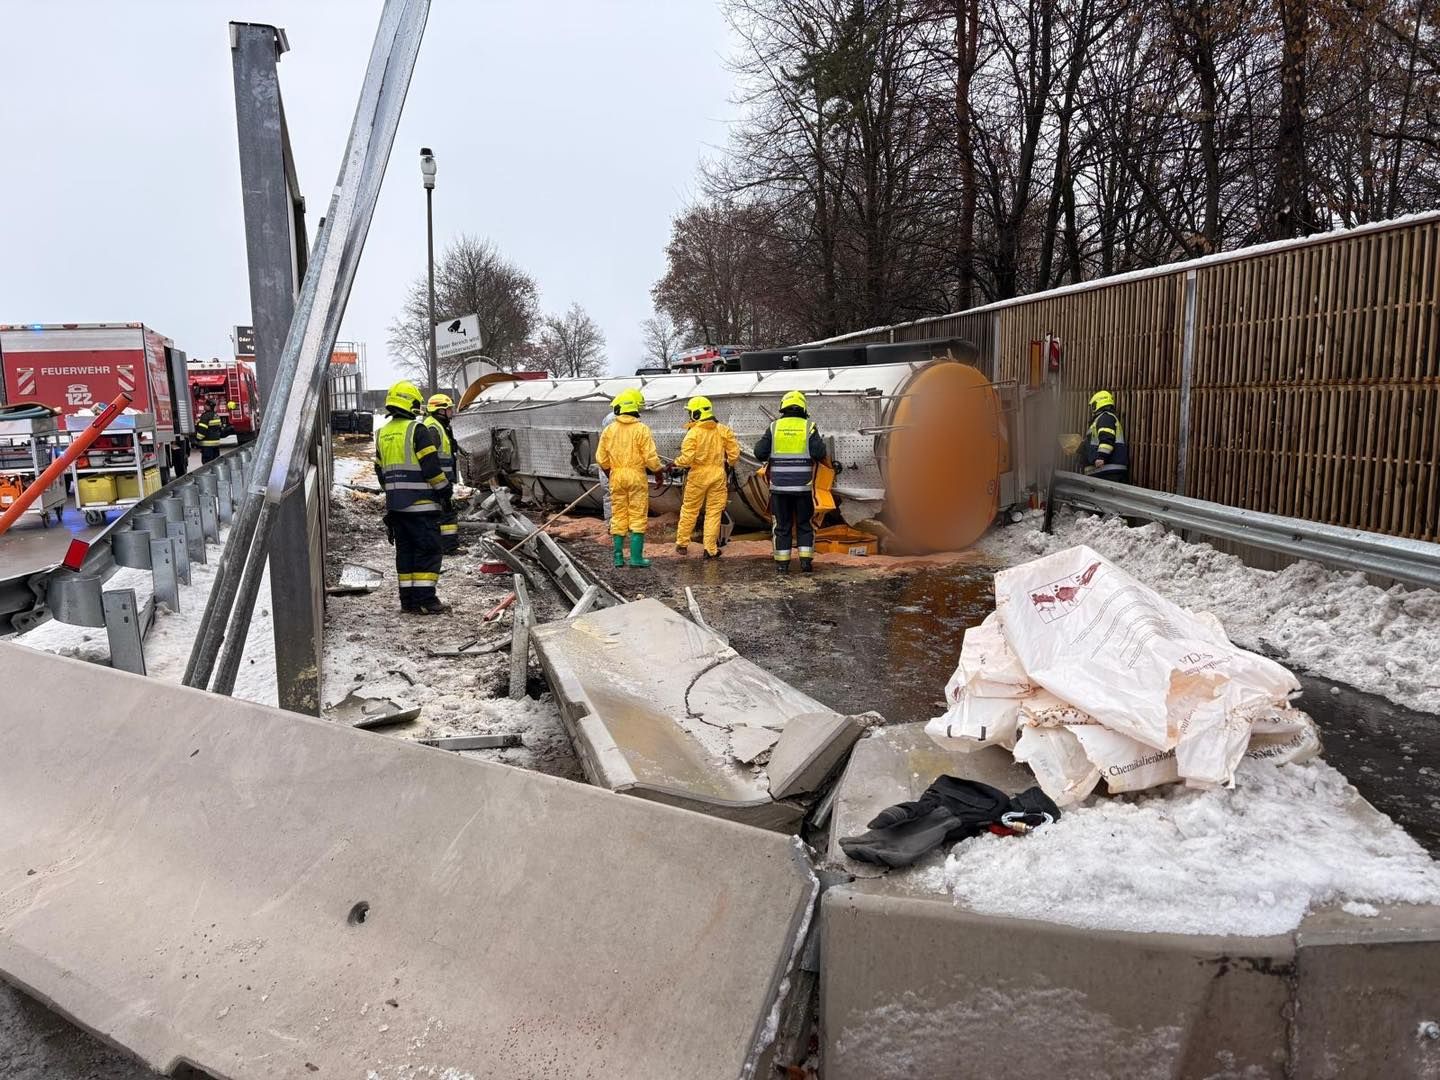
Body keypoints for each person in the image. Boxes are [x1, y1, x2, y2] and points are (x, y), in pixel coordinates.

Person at [374, 380, 452, 614]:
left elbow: (379, 470)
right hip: (422, 505)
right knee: (428, 551)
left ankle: (408, 601)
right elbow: (431, 468)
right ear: (410, 403)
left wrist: (394, 492)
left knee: (405, 554)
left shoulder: (382, 433)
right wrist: (445, 492)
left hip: (396, 508)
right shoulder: (417, 430)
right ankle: (427, 600)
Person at [754, 389, 827, 574]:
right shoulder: (809, 426)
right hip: (803, 487)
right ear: (803, 407)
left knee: (782, 526)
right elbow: (819, 453)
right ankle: (805, 563)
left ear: (783, 406)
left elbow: (759, 453)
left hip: (779, 487)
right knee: (804, 524)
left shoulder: (774, 427)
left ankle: (782, 565)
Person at [595, 388, 662, 568]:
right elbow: (650, 457)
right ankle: (636, 558)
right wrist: (658, 473)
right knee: (637, 514)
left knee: (618, 515)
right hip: (636, 476)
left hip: (616, 475)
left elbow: (601, 458)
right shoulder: (642, 429)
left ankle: (618, 557)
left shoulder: (609, 430)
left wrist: (611, 473)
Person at [673, 395, 740, 559]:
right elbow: (734, 453)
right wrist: (730, 464)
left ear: (696, 414)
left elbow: (687, 459)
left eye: (690, 412)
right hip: (718, 475)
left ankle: (682, 544)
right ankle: (710, 549)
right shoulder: (723, 430)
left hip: (697, 476)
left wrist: (676, 463)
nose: (689, 416)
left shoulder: (693, 433)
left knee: (689, 510)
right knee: (714, 512)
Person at [423, 393, 461, 554]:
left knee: (444, 513)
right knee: (446, 515)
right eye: (449, 409)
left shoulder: (439, 426)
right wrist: (440, 483)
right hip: (438, 481)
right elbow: (429, 458)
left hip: (442, 480)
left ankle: (443, 546)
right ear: (440, 411)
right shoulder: (433, 428)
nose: (451, 412)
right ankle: (448, 547)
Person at [1082, 390, 1129, 483]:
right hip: (1106, 471)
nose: (1092, 409)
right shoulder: (1103, 419)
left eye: (1093, 405)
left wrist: (1101, 457)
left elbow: (1107, 438)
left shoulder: (1105, 418)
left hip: (1108, 471)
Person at [194, 398, 230, 464]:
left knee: (207, 465)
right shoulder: (216, 416)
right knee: (216, 463)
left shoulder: (205, 417)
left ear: (208, 406)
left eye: (205, 405)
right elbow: (219, 429)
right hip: (216, 444)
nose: (204, 406)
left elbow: (202, 431)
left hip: (207, 446)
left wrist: (197, 439)